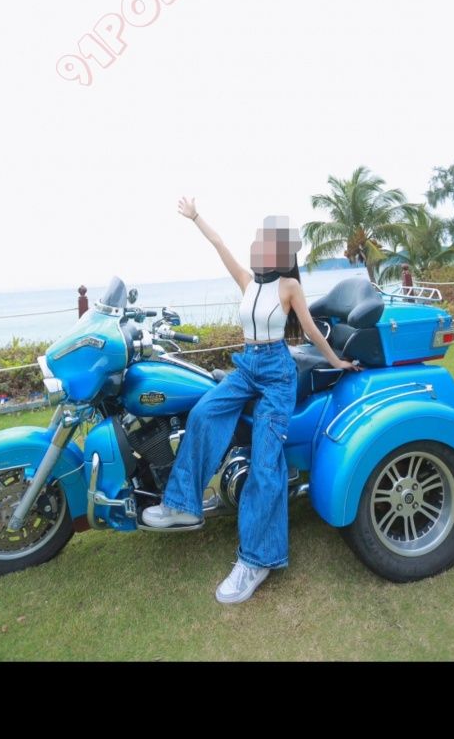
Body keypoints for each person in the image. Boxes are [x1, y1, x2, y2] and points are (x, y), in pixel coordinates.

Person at [142, 198, 361, 605]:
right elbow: (218, 243)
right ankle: (182, 504)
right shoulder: (247, 281)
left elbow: (311, 331)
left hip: (278, 373)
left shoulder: (289, 287)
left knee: (265, 459)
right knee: (203, 412)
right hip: (247, 366)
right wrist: (196, 217)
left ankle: (257, 560)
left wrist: (337, 362)